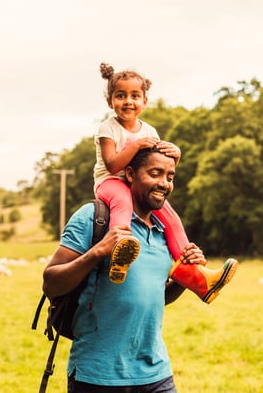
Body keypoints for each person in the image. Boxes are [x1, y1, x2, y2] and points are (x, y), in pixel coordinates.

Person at [43, 147, 208, 392]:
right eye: (155, 173)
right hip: (97, 376)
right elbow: (50, 283)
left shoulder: (164, 232)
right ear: (130, 174)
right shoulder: (94, 217)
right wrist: (98, 251)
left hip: (156, 373)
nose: (164, 183)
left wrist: (183, 278)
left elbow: (155, 297)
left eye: (170, 177)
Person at [94, 62, 237, 303]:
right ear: (110, 102)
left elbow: (157, 165)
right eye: (120, 96)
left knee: (170, 217)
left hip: (137, 184)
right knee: (121, 202)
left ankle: (196, 273)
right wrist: (138, 145)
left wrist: (176, 154)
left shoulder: (149, 130)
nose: (128, 101)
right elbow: (112, 165)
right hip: (111, 182)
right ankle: (121, 249)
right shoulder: (107, 128)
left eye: (134, 96)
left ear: (145, 102)